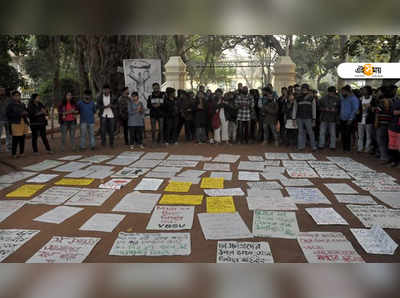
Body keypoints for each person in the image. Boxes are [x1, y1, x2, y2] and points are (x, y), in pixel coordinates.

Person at [292, 83, 317, 151]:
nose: (304, 90)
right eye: (303, 89)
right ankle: (300, 146)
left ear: (308, 89)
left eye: (305, 89)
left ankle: (313, 146)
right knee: (300, 132)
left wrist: (314, 119)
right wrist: (293, 119)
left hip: (308, 118)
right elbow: (295, 108)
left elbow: (314, 109)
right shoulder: (297, 98)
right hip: (299, 117)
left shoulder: (312, 98)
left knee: (310, 132)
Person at [6, 91, 29, 158]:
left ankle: (22, 153)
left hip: (23, 123)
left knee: (22, 138)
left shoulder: (22, 104)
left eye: (19, 95)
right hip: (15, 123)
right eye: (16, 95)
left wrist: (26, 113)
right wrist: (19, 114)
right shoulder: (10, 105)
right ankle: (14, 154)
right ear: (12, 97)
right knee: (15, 139)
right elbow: (8, 115)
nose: (18, 97)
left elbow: (26, 111)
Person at [375, 86, 393, 163]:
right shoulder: (392, 100)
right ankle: (386, 156)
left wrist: (376, 122)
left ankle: (384, 156)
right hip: (389, 123)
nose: (378, 93)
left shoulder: (382, 101)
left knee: (381, 140)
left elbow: (377, 113)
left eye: (379, 92)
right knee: (386, 140)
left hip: (382, 122)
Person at [97, 84, 119, 148]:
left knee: (111, 130)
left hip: (111, 115)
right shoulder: (99, 97)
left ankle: (111, 143)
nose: (106, 90)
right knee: (103, 130)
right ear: (102, 90)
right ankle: (103, 142)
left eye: (107, 89)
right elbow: (98, 106)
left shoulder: (113, 97)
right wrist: (105, 107)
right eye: (104, 89)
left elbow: (117, 105)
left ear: (109, 90)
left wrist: (111, 106)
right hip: (103, 115)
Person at [339, 85, 360, 152]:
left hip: (349, 119)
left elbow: (355, 109)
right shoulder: (343, 98)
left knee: (347, 134)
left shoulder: (354, 99)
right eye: (341, 92)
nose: (341, 93)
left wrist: (351, 119)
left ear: (347, 91)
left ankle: (347, 148)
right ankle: (344, 148)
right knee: (343, 134)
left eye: (343, 91)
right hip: (342, 118)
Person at [356, 85, 374, 153]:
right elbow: (357, 108)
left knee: (368, 135)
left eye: (364, 90)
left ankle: (367, 149)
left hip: (368, 120)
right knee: (360, 135)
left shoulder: (373, 99)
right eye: (363, 90)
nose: (363, 91)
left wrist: (371, 107)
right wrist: (357, 111)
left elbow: (374, 110)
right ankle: (360, 148)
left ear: (368, 91)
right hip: (360, 119)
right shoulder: (360, 99)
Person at [388, 87, 400, 167]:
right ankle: (394, 161)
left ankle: (395, 162)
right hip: (394, 126)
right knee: (393, 145)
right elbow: (394, 112)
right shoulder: (397, 102)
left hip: (395, 127)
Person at [0, 86, 12, 153]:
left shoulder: (8, 99)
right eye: (0, 90)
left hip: (8, 119)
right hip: (0, 119)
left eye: (3, 90)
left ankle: (9, 148)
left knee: (9, 134)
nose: (2, 92)